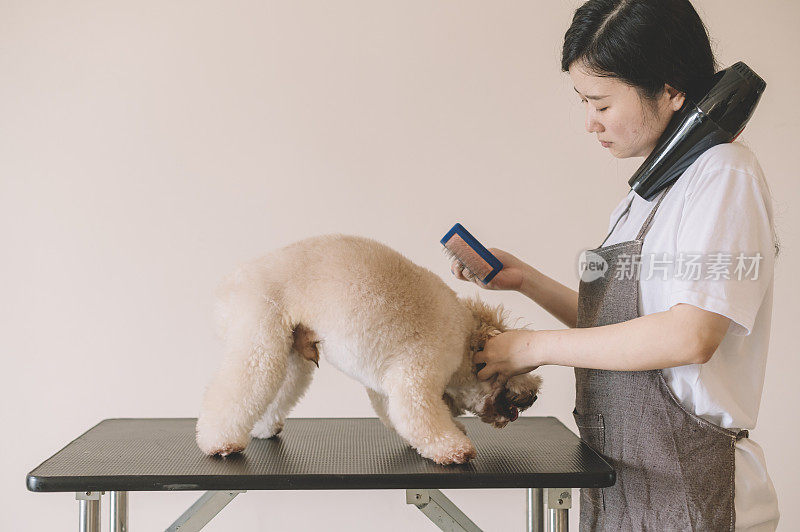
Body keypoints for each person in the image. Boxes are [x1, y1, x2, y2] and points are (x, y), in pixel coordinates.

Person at [450, 1, 780, 530]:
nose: (589, 123)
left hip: (692, 489)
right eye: (583, 102)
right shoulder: (645, 195)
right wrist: (527, 282)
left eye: (601, 103)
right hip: (625, 484)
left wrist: (533, 346)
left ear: (671, 89)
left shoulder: (723, 175)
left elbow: (689, 335)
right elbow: (618, 330)